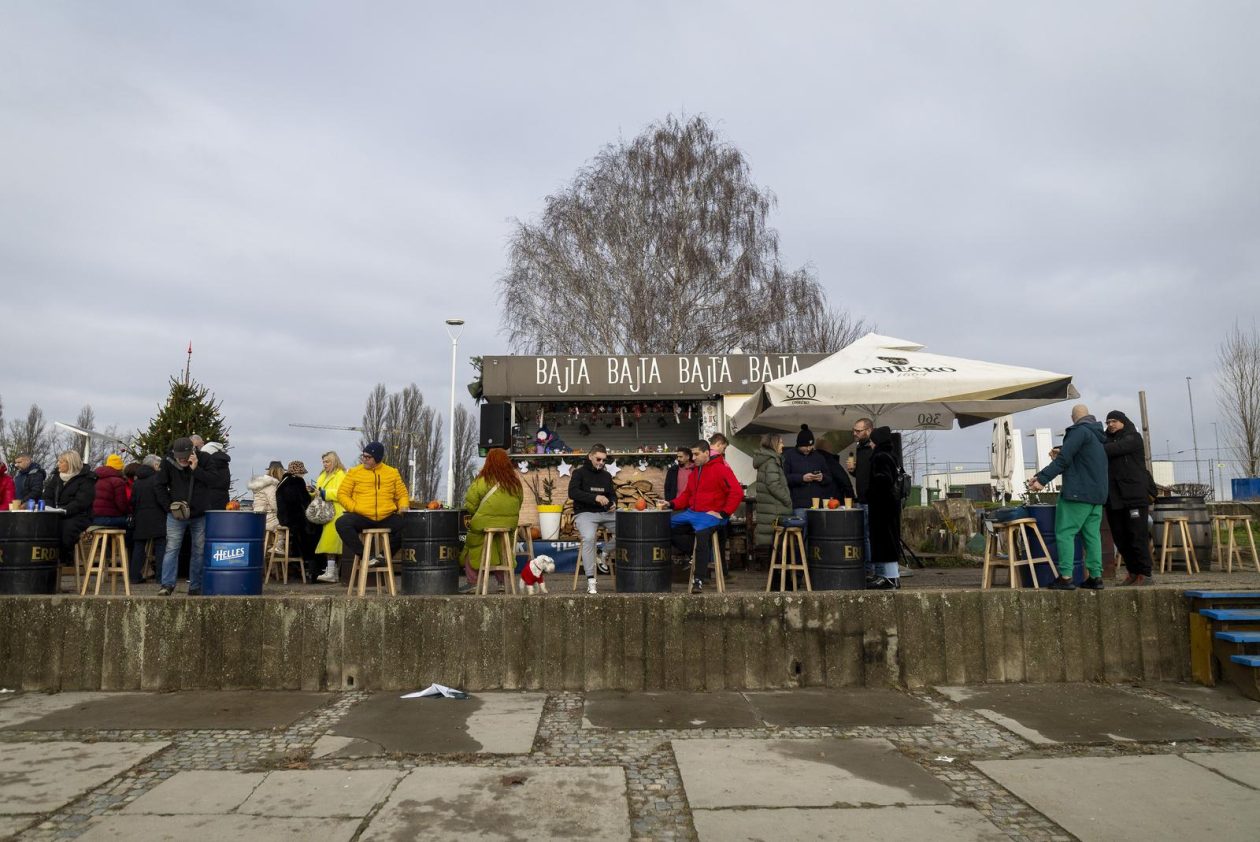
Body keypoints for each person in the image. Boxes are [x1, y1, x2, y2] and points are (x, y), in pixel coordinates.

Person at [1029, 404, 1108, 591]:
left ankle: (1065, 577)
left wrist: (1042, 479)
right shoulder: (1098, 436)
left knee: (1065, 533)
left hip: (1077, 493)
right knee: (1092, 536)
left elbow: (1064, 459)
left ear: (1073, 417)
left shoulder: (1079, 431)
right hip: (1098, 495)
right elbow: (1080, 459)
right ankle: (1096, 577)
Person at [155, 436, 230, 596]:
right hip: (176, 513)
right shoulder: (168, 461)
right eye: (179, 458)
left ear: (192, 452)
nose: (181, 461)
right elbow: (159, 485)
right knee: (172, 549)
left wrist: (196, 469)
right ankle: (167, 585)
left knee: (199, 550)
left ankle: (195, 586)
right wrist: (169, 506)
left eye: (184, 458)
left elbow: (215, 481)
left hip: (200, 513)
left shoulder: (205, 459)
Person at [665, 440, 743, 593]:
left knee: (701, 535)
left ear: (707, 453)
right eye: (692, 454)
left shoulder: (721, 469)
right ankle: (693, 553)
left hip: (711, 515)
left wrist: (724, 513)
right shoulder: (695, 472)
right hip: (693, 513)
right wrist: (671, 504)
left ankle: (698, 580)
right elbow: (687, 495)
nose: (693, 458)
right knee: (663, 526)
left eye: (696, 454)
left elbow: (737, 492)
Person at [335, 442, 409, 580]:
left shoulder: (392, 473)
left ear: (378, 458)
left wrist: (403, 506)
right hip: (362, 516)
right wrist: (354, 508)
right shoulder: (354, 472)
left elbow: (402, 494)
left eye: (368, 457)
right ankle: (366, 556)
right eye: (363, 456)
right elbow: (342, 494)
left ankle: (382, 557)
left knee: (409, 526)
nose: (364, 459)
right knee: (342, 523)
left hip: (386, 516)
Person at [460, 447, 524, 590]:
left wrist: (481, 514)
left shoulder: (482, 480)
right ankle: (503, 582)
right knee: (501, 546)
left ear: (488, 461)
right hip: (509, 524)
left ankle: (473, 582)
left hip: (483, 523)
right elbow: (519, 503)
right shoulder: (515, 482)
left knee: (472, 544)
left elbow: (471, 504)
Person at [1103, 410, 1154, 586]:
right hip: (1114, 499)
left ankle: (1145, 573)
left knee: (1137, 536)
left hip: (1134, 497)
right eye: (1108, 422)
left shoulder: (1133, 438)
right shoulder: (1105, 440)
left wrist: (1096, 448)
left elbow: (1116, 449)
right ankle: (1132, 572)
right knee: (1120, 537)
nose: (1110, 425)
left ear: (1123, 422)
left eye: (1114, 421)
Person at [569, 443, 618, 594]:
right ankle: (591, 580)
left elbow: (612, 495)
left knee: (629, 528)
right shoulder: (579, 473)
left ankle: (603, 552)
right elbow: (573, 493)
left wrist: (614, 503)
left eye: (604, 460)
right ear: (590, 457)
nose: (601, 463)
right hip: (585, 513)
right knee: (589, 538)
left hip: (606, 513)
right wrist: (595, 497)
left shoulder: (607, 475)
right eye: (598, 459)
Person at [42, 450, 97, 570]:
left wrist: (64, 510)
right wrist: (49, 507)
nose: (58, 464)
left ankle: (65, 558)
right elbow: (47, 495)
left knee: (66, 528)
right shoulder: (56, 478)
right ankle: (46, 559)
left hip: (79, 515)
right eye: (59, 461)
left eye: (62, 462)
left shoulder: (87, 479)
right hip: (56, 513)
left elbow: (82, 501)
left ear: (70, 463)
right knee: (44, 527)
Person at [866, 427, 903, 589]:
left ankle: (889, 577)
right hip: (890, 506)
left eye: (872, 441)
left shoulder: (880, 457)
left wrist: (870, 494)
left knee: (884, 541)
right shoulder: (891, 456)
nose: (870, 445)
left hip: (882, 507)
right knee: (887, 540)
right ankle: (886, 575)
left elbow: (883, 481)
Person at [782, 425, 842, 522]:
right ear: (799, 444)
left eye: (811, 446)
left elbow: (829, 478)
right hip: (798, 504)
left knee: (816, 532)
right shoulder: (788, 456)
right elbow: (783, 478)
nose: (808, 448)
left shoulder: (819, 457)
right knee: (801, 531)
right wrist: (801, 478)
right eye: (805, 446)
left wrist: (822, 477)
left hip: (817, 504)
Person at [752, 433, 793, 568]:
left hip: (769, 510)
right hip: (776, 510)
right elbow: (773, 485)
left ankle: (775, 581)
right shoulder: (772, 461)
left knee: (774, 547)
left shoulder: (765, 460)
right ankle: (779, 581)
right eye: (780, 442)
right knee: (779, 548)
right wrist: (787, 500)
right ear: (774, 444)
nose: (783, 445)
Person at [125, 455, 166, 584]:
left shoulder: (137, 482)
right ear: (154, 465)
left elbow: (133, 501)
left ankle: (134, 576)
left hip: (141, 517)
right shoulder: (157, 479)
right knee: (160, 546)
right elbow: (161, 498)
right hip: (158, 517)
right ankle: (160, 577)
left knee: (138, 547)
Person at [276, 460, 318, 573]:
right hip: (294, 519)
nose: (303, 475)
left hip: (284, 518)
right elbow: (304, 501)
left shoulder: (283, 481)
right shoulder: (298, 481)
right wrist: (310, 495)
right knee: (312, 532)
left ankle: (296, 564)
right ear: (299, 472)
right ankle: (310, 564)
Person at [313, 451, 348, 584]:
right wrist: (313, 492)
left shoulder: (340, 475)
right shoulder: (323, 475)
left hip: (336, 511)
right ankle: (332, 572)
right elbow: (319, 491)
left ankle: (332, 572)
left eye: (327, 461)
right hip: (325, 511)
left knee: (331, 543)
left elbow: (342, 493)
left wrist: (324, 493)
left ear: (334, 461)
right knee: (331, 543)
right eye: (323, 462)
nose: (325, 464)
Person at [91, 453, 131, 528]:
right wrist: (129, 512)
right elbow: (121, 504)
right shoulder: (118, 481)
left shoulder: (95, 479)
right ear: (119, 468)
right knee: (130, 524)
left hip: (93, 518)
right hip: (111, 518)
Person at [248, 464, 283, 532]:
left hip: (259, 517)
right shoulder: (271, 486)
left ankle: (269, 541)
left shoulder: (261, 485)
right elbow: (274, 504)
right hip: (268, 518)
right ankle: (280, 542)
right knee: (285, 528)